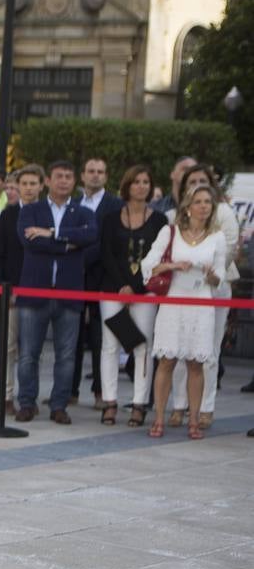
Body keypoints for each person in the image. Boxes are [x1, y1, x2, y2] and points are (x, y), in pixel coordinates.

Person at [16, 160, 98, 424]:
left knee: (66, 355)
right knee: (28, 353)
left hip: (69, 293)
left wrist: (53, 233)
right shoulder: (31, 210)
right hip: (34, 291)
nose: (64, 181)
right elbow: (30, 242)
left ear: (75, 182)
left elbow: (90, 236)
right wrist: (66, 245)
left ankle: (59, 404)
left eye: (68, 176)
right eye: (58, 176)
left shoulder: (83, 212)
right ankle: (27, 403)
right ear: (48, 181)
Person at [161, 164, 241, 430]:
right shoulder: (173, 217)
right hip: (180, 290)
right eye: (191, 181)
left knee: (207, 351)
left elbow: (228, 250)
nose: (197, 184)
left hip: (214, 289)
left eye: (202, 180)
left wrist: (207, 272)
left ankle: (205, 407)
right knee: (177, 351)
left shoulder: (225, 214)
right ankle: (179, 406)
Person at [143, 186, 226, 440]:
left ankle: (194, 420)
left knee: (195, 364)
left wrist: (212, 276)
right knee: (166, 361)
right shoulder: (170, 232)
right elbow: (148, 266)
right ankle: (158, 418)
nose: (204, 206)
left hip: (201, 303)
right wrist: (174, 265)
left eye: (208, 202)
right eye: (199, 202)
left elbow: (220, 278)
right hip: (173, 301)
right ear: (188, 207)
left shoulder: (217, 237)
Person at [98, 165, 167, 428]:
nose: (141, 186)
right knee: (110, 345)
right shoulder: (111, 218)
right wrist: (122, 286)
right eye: (136, 181)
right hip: (113, 289)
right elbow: (107, 254)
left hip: (145, 290)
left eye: (146, 182)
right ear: (127, 185)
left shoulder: (159, 220)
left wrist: (136, 287)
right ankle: (110, 402)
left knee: (142, 346)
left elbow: (157, 257)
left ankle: (139, 404)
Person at [0, 165, 44, 403]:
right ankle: (6, 395)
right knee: (7, 346)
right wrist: (4, 289)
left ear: (42, 185)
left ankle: (28, 397)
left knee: (31, 351)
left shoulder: (47, 214)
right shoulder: (8, 214)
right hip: (10, 291)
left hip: (38, 290)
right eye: (24, 184)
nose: (28, 188)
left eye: (33, 183)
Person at [72, 157, 122, 409]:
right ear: (82, 175)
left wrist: (81, 258)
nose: (95, 176)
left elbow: (110, 242)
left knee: (100, 338)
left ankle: (101, 392)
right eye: (90, 171)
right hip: (73, 279)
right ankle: (69, 391)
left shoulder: (115, 205)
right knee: (72, 336)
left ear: (106, 176)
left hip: (102, 277)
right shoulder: (72, 203)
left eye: (100, 172)